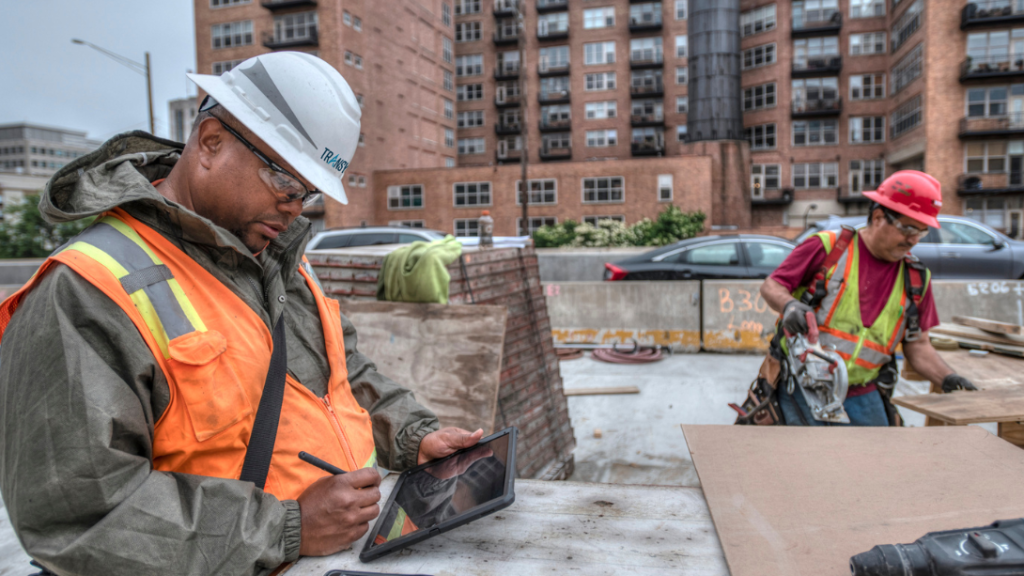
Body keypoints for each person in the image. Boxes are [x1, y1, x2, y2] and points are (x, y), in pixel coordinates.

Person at [0, 53, 483, 575]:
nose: (296, 207)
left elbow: (340, 378)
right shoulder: (87, 291)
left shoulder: (278, 260)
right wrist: (286, 526)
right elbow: (78, 517)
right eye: (286, 184)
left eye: (308, 193)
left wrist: (413, 436)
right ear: (211, 143)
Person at [759, 170, 977, 426]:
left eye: (922, 231)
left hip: (864, 391)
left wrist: (947, 377)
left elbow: (917, 346)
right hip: (804, 384)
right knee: (814, 461)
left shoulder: (917, 279)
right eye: (907, 228)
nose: (913, 239)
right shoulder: (828, 248)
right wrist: (789, 305)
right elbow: (772, 285)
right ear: (878, 217)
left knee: (878, 462)